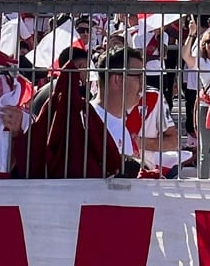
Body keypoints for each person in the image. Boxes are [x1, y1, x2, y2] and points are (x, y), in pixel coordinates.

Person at [21, 45, 142, 179]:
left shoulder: (117, 124)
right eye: (139, 76)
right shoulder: (83, 123)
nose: (144, 83)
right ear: (117, 80)